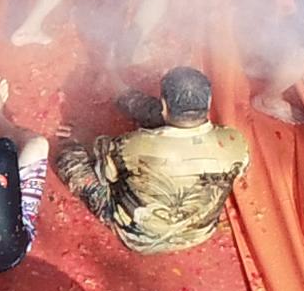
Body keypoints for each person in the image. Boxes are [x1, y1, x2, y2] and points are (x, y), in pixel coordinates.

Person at [53, 69, 249, 256]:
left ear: (164, 105)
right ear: (209, 101)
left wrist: (82, 136)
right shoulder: (235, 141)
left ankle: (121, 95)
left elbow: (106, 172)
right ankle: (121, 93)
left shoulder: (133, 146)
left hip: (139, 237)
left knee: (69, 158)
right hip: (199, 232)